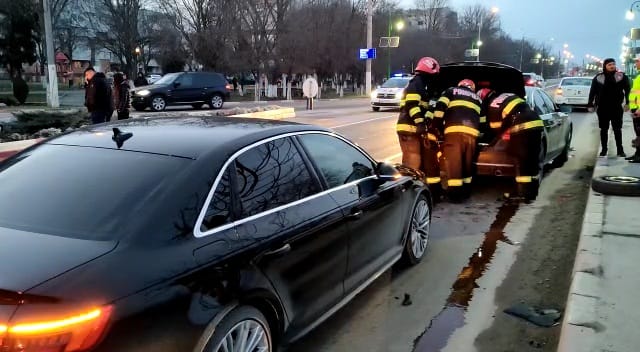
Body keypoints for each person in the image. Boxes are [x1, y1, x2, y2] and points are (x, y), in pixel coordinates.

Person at [479, 88, 545, 200]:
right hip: (536, 122)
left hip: (522, 126)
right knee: (533, 159)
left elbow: (497, 127)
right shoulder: (505, 95)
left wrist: (492, 140)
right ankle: (531, 194)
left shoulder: (492, 106)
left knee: (520, 160)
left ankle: (520, 193)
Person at [395, 56, 442, 192]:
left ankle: (417, 188)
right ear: (430, 72)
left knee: (417, 161)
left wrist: (427, 122)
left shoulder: (422, 85)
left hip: (413, 129)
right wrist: (421, 123)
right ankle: (408, 191)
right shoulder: (417, 83)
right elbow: (412, 105)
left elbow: (425, 108)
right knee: (413, 161)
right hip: (409, 128)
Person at [432, 79, 481, 201]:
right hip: (472, 134)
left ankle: (455, 195)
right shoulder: (478, 98)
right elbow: (483, 120)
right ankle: (466, 192)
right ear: (472, 88)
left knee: (455, 164)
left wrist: (437, 127)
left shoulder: (451, 91)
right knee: (467, 164)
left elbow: (439, 108)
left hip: (454, 133)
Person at [587, 58, 630, 157]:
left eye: (613, 64)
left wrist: (628, 103)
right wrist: (590, 103)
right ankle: (604, 150)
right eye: (609, 64)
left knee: (617, 129)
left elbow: (627, 90)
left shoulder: (621, 76)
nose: (612, 66)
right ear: (605, 66)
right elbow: (592, 91)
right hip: (602, 108)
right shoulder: (598, 78)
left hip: (616, 107)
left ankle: (620, 150)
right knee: (603, 129)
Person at [627, 57, 640, 163]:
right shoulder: (638, 75)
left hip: (639, 110)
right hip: (635, 108)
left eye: (637, 61)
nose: (635, 63)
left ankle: (639, 156)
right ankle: (637, 154)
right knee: (638, 133)